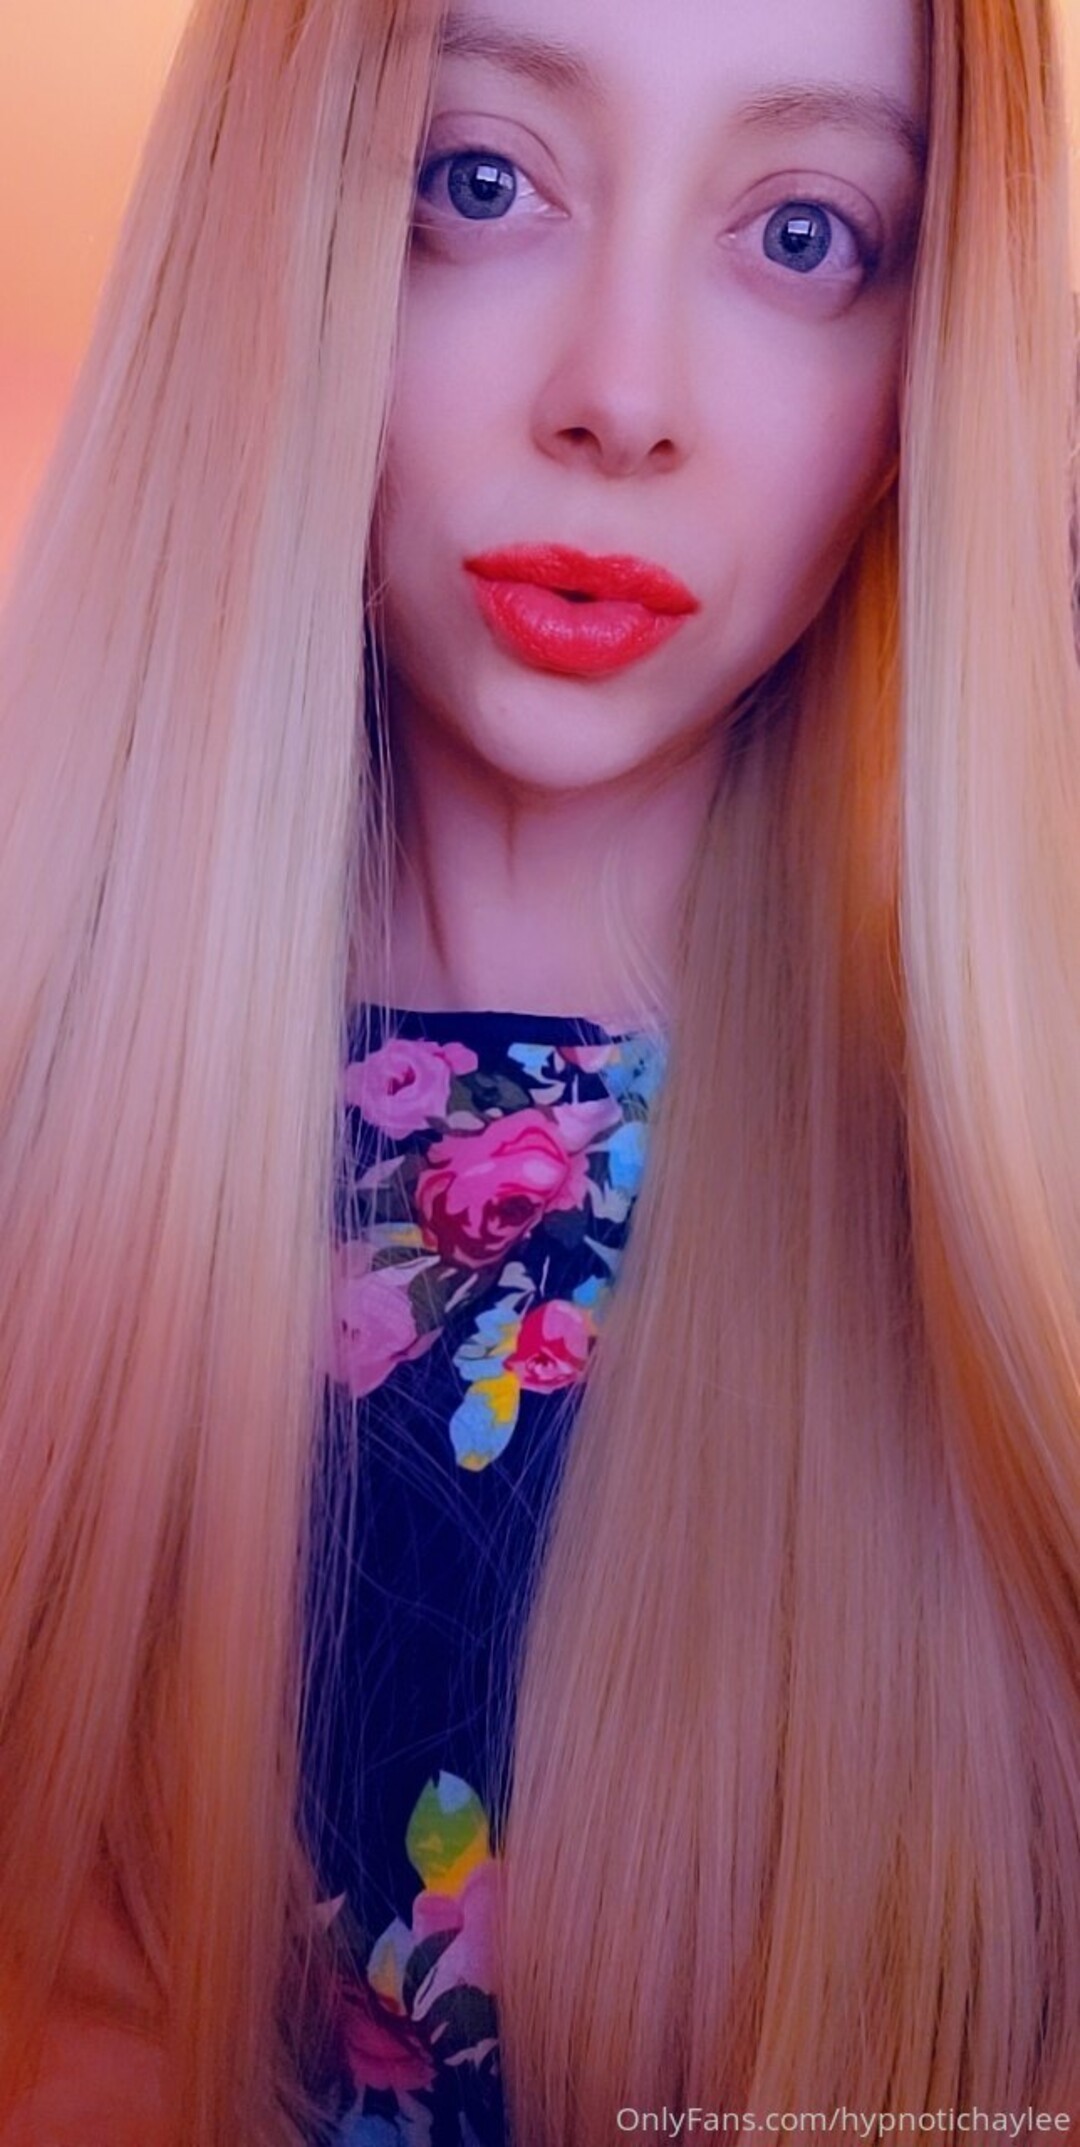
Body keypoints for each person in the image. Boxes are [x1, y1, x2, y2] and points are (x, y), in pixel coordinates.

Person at [0, 0, 1077, 2142]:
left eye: (804, 234)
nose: (622, 399)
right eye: (479, 181)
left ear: (926, 376)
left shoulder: (1022, 1272)